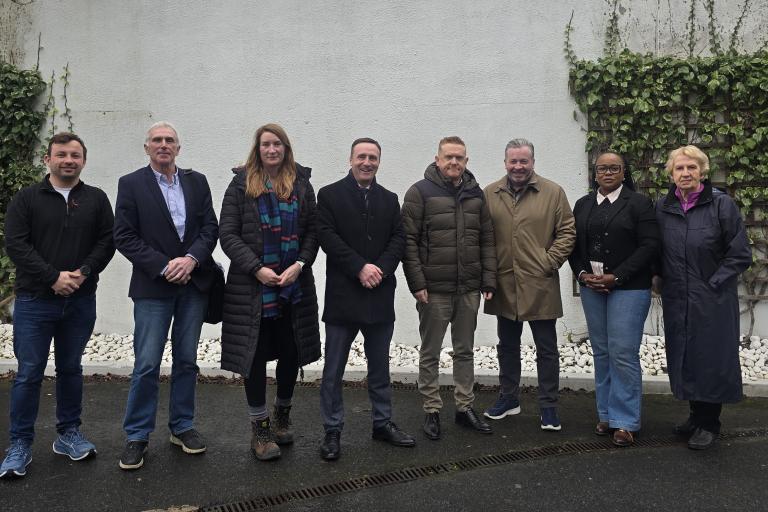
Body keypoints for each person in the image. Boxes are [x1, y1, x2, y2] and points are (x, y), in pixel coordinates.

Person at [1, 132, 115, 478]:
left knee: (71, 369)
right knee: (29, 373)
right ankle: (19, 444)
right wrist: (53, 277)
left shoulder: (96, 199)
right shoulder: (27, 198)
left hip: (80, 301)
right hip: (36, 301)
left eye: (75, 155)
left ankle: (68, 434)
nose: (68, 160)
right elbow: (16, 245)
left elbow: (107, 241)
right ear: (47, 159)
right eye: (61, 154)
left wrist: (83, 272)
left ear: (83, 160)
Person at [114, 121, 219, 470]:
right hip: (153, 287)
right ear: (146, 148)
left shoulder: (197, 181)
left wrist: (190, 259)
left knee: (187, 360)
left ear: (179, 147)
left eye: (169, 140)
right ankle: (137, 435)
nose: (163, 145)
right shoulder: (131, 184)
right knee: (146, 364)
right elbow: (125, 237)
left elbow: (210, 228)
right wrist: (164, 265)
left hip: (192, 285)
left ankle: (182, 426)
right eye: (157, 140)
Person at [219, 123, 321, 461]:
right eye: (266, 144)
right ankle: (259, 428)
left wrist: (301, 264)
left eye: (277, 144)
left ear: (286, 148)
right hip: (252, 289)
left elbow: (312, 233)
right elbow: (228, 234)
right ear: (257, 149)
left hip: (293, 286)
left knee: (292, 351)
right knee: (256, 355)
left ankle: (282, 415)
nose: (272, 149)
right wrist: (256, 268)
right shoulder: (239, 185)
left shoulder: (303, 185)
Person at [317, 137, 414, 460]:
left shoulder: (390, 199)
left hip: (379, 296)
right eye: (361, 156)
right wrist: (359, 267)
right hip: (344, 296)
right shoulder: (329, 195)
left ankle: (382, 423)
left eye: (373, 157)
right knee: (333, 370)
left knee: (380, 369)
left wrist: (381, 270)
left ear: (379, 162)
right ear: (350, 159)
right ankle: (332, 430)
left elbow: (399, 239)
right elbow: (327, 237)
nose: (367, 162)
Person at [655, 145, 751, 450]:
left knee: (711, 358)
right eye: (680, 168)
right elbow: (655, 248)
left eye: (691, 168)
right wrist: (657, 278)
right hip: (677, 296)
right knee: (685, 355)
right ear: (670, 173)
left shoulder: (722, 205)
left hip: (712, 297)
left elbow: (739, 254)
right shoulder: (662, 207)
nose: (685, 173)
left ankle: (710, 423)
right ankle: (695, 415)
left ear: (702, 172)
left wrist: (714, 284)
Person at [402, 136, 496, 440]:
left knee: (464, 350)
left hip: (468, 288)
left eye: (460, 158)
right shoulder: (419, 193)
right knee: (430, 351)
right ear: (437, 159)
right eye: (448, 157)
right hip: (434, 290)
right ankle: (431, 408)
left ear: (466, 161)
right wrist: (417, 283)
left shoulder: (476, 194)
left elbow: (487, 239)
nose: (454, 162)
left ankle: (464, 407)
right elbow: (408, 243)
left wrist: (488, 280)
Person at [483, 138, 575, 431]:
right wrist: (488, 274)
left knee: (546, 348)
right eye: (513, 161)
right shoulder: (489, 194)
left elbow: (567, 232)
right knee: (506, 346)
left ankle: (548, 406)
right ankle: (509, 398)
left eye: (524, 161)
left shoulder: (553, 192)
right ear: (505, 162)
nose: (518, 167)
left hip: (540, 284)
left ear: (532, 162)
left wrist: (548, 262)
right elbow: (483, 237)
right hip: (504, 283)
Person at [568, 151, 659, 446]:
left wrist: (616, 277)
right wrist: (582, 274)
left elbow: (649, 246)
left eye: (614, 168)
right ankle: (606, 413)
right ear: (595, 174)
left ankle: (626, 420)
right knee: (602, 351)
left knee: (622, 352)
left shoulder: (639, 204)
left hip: (629, 288)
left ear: (623, 172)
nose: (607, 173)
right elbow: (572, 245)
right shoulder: (582, 204)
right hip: (592, 287)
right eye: (602, 168)